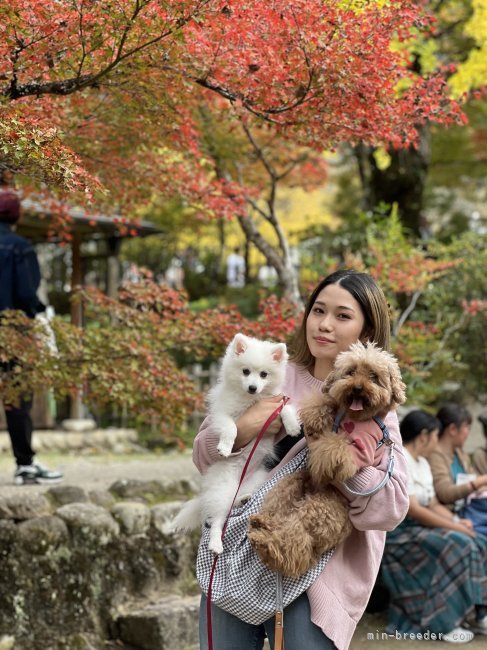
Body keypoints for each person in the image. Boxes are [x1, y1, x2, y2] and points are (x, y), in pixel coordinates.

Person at [192, 269, 409, 650]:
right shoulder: (269, 373)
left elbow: (391, 507)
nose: (324, 325)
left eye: (342, 316)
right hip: (239, 551)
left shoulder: (377, 408)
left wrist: (341, 465)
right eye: (318, 310)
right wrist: (244, 427)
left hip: (319, 573)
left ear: (367, 330)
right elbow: (203, 454)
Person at [381, 409, 487, 643]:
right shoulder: (400, 460)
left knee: (478, 540)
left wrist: (457, 522)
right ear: (424, 436)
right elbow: (415, 510)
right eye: (435, 436)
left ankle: (479, 612)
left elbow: (434, 503)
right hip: (400, 534)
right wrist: (457, 529)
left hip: (420, 527)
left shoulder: (423, 463)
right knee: (461, 544)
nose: (436, 442)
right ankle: (442, 623)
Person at [0, 169, 63, 485]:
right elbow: (27, 292)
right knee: (17, 397)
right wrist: (38, 311)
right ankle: (24, 464)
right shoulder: (20, 247)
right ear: (16, 215)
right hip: (13, 331)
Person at [428, 404, 487, 536]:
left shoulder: (459, 452)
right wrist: (479, 482)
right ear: (453, 429)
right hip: (452, 514)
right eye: (467, 427)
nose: (468, 432)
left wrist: (480, 485)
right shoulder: (435, 455)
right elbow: (445, 493)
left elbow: (472, 477)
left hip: (469, 510)